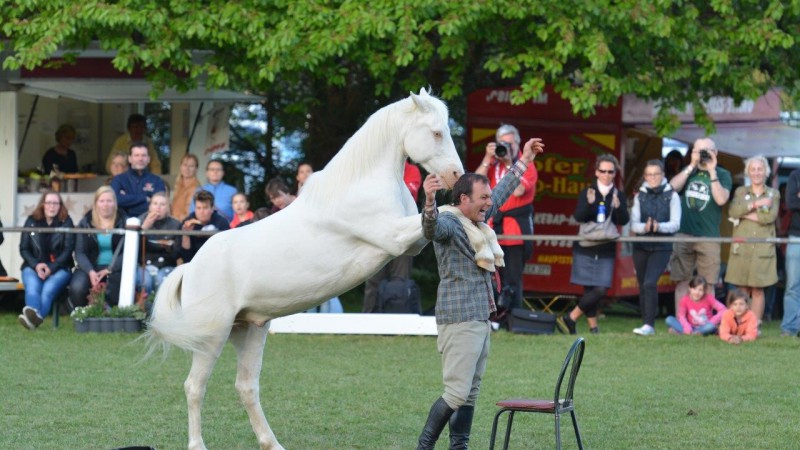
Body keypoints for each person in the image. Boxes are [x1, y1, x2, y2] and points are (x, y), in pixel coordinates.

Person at [416, 137, 544, 450]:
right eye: (482, 198)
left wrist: (523, 160)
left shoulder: (476, 219)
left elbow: (499, 194)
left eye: (488, 198)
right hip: (459, 318)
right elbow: (430, 230)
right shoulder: (449, 221)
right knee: (457, 393)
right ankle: (424, 446)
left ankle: (459, 446)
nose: (489, 203)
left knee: (470, 391)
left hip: (478, 317)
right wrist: (429, 202)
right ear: (462, 199)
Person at [559, 154, 629, 335]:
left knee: (601, 289)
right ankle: (593, 328)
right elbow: (579, 217)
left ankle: (571, 317)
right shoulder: (588, 192)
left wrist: (619, 207)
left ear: (615, 173)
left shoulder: (618, 194)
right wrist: (590, 205)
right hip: (586, 245)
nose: (606, 175)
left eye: (610, 171)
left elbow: (623, 221)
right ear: (597, 172)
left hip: (606, 246)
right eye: (603, 171)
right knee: (589, 289)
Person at [475, 124, 538, 315]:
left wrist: (510, 162)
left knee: (512, 278)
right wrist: (487, 158)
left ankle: (515, 317)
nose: (506, 147)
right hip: (493, 228)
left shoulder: (527, 165)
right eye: (503, 143)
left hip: (515, 231)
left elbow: (518, 190)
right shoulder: (494, 164)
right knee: (493, 276)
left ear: (518, 144)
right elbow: (474, 184)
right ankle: (495, 316)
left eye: (510, 143)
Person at [668, 137, 732, 314]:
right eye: (698, 151)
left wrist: (712, 171)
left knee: (709, 282)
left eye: (706, 151)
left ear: (715, 152)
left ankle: (707, 322)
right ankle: (682, 322)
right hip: (684, 233)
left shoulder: (723, 174)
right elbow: (672, 187)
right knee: (682, 281)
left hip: (708, 236)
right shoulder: (689, 171)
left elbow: (721, 199)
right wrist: (690, 166)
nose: (702, 155)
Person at [724, 155, 779, 329]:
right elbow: (732, 212)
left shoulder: (773, 193)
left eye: (760, 169)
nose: (756, 173)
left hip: (762, 248)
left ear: (766, 172)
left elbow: (769, 217)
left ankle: (753, 327)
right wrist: (756, 205)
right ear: (748, 172)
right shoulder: (740, 191)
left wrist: (744, 214)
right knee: (741, 288)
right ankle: (736, 326)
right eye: (753, 169)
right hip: (742, 247)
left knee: (757, 289)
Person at [363, 160, 422, 313]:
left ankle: (398, 319)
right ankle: (367, 320)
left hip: (403, 233)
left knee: (400, 280)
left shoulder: (412, 170)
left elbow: (409, 194)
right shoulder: (379, 170)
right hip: (379, 233)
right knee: (373, 280)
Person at [630, 160, 681, 336]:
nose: (653, 177)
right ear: (645, 176)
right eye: (649, 174)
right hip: (641, 245)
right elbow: (634, 224)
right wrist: (644, 228)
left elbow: (675, 224)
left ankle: (649, 325)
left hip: (662, 246)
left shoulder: (672, 196)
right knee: (643, 284)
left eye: (656, 174)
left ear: (663, 175)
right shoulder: (639, 196)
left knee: (651, 282)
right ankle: (646, 322)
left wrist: (659, 227)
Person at [17, 191, 75, 330]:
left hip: (60, 268)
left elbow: (68, 250)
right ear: (43, 204)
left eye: (55, 203)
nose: (52, 206)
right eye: (49, 202)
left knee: (47, 290)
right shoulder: (31, 221)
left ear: (60, 205)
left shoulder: (66, 221)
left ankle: (31, 322)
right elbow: (24, 248)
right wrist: (36, 265)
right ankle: (34, 320)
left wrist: (52, 268)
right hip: (32, 266)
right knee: (32, 289)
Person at [70, 186, 127, 308]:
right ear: (95, 204)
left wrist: (110, 269)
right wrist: (90, 272)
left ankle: (111, 315)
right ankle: (83, 315)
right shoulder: (85, 223)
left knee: (117, 284)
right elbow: (79, 252)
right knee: (77, 287)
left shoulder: (124, 222)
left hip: (116, 267)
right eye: (101, 201)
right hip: (90, 266)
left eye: (109, 201)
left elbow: (128, 252)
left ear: (115, 204)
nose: (105, 205)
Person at [137, 192, 180, 294]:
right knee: (145, 281)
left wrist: (170, 247)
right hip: (143, 265)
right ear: (150, 206)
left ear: (168, 208)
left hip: (166, 265)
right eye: (155, 203)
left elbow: (177, 254)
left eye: (162, 204)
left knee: (162, 280)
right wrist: (143, 229)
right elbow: (132, 249)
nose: (158, 207)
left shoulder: (176, 225)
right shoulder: (139, 221)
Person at [110, 142, 166, 218]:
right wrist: (144, 198)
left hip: (150, 223)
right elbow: (113, 200)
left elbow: (160, 205)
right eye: (136, 155)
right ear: (130, 159)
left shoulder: (157, 181)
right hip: (122, 224)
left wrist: (126, 199)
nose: (140, 159)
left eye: (143, 155)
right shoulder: (119, 179)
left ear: (148, 159)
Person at [179, 190, 230, 263]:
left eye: (205, 208)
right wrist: (186, 235)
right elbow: (185, 258)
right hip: (193, 263)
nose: (201, 212)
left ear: (212, 208)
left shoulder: (222, 223)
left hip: (216, 262)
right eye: (198, 208)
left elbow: (226, 250)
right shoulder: (187, 223)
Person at [781, 166, 800, 337]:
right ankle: (789, 328)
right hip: (796, 237)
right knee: (793, 286)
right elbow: (791, 203)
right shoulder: (796, 174)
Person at [171, 153, 201, 221]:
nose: (187, 169)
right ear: (180, 166)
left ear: (196, 169)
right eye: (185, 165)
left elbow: (191, 213)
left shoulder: (197, 189)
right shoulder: (177, 186)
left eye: (191, 166)